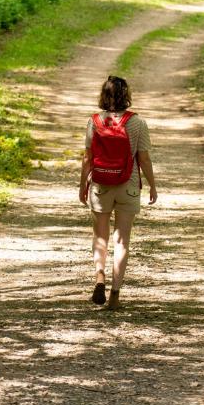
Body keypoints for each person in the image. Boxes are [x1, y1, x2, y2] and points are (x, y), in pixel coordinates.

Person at [79, 75, 157, 310]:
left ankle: (100, 277)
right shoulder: (137, 123)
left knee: (100, 236)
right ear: (126, 96)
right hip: (128, 186)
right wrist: (152, 184)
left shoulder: (94, 121)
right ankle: (115, 294)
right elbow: (143, 158)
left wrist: (83, 184)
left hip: (101, 184)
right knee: (122, 241)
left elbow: (88, 158)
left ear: (103, 95)